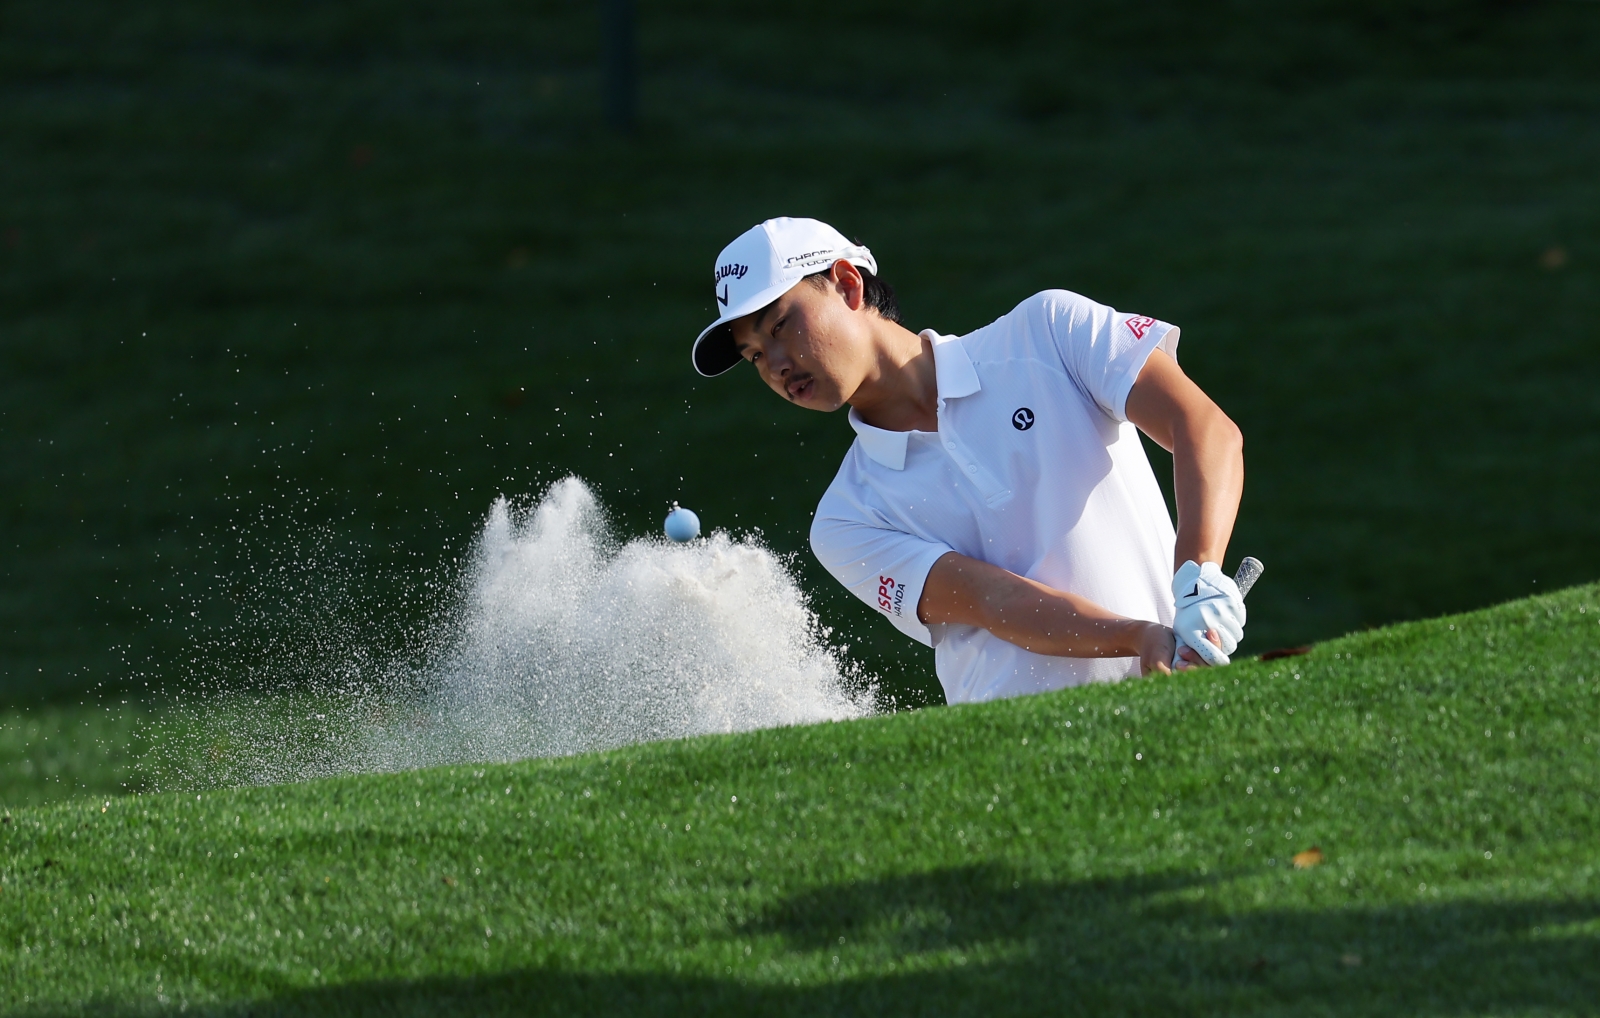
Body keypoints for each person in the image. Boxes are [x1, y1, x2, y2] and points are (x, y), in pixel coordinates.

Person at [691, 217, 1246, 704]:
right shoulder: (845, 519)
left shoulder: (1049, 331)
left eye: (782, 325)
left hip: (1177, 711)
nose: (777, 366)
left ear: (847, 283)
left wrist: (1200, 576)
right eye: (756, 356)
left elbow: (1202, 427)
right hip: (1015, 772)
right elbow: (995, 600)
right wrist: (1138, 636)